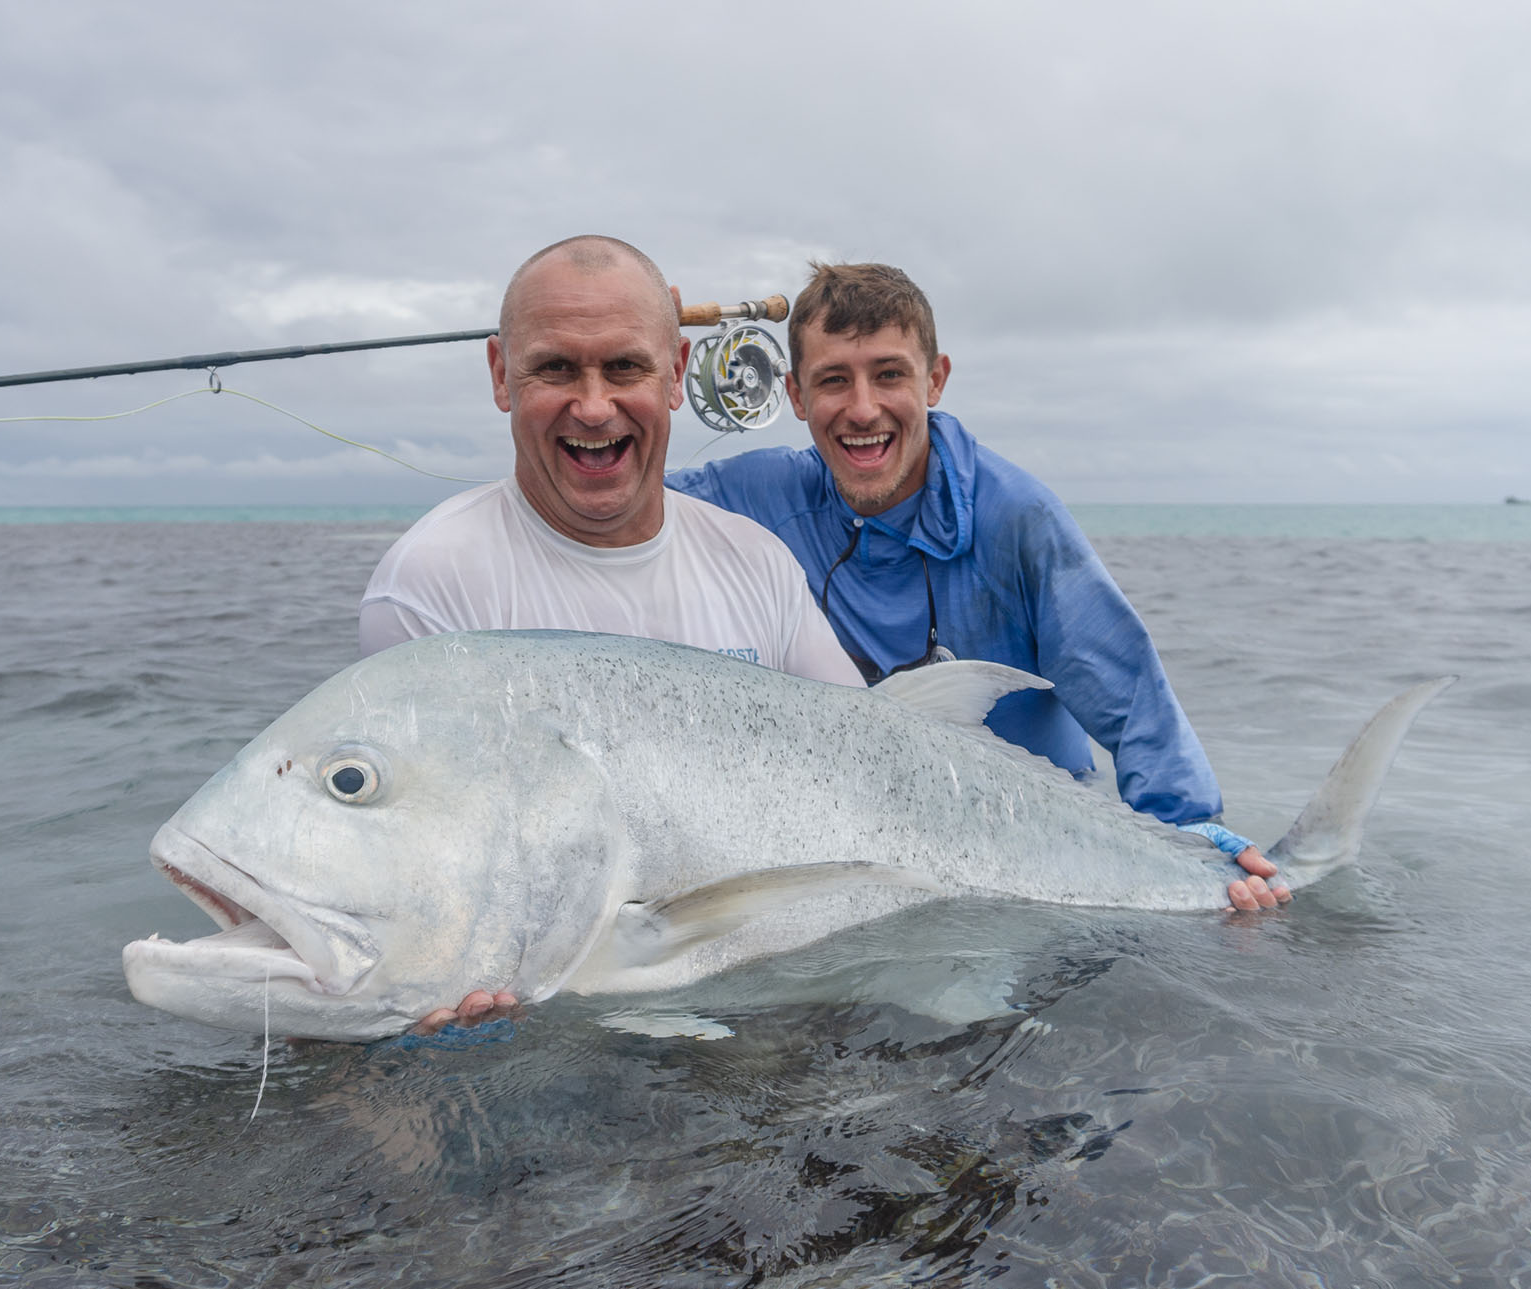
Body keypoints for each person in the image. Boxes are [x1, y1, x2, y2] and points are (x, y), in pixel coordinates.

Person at [667, 261, 1288, 912]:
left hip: (1045, 860)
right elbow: (609, 492)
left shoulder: (1016, 516)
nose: (863, 408)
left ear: (935, 380)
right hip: (880, 854)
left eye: (889, 374)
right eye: (833, 381)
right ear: (795, 397)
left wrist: (1190, 839)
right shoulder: (763, 498)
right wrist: (645, 356)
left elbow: (1134, 702)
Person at [358, 235, 862, 1032]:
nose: (593, 407)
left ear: (676, 374)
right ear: (500, 374)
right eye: (555, 368)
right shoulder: (430, 585)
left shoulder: (757, 563)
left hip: (763, 994)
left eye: (625, 367)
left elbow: (875, 767)